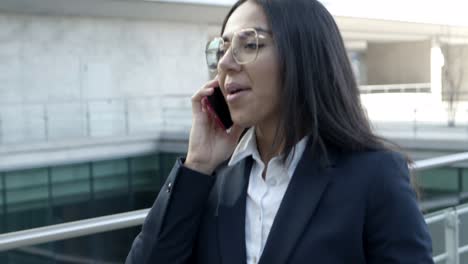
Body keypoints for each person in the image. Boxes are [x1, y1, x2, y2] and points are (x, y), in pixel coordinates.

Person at [126, 0, 434, 263]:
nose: (226, 63)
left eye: (249, 44)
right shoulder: (213, 180)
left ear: (303, 55)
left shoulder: (374, 176)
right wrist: (196, 164)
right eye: (221, 48)